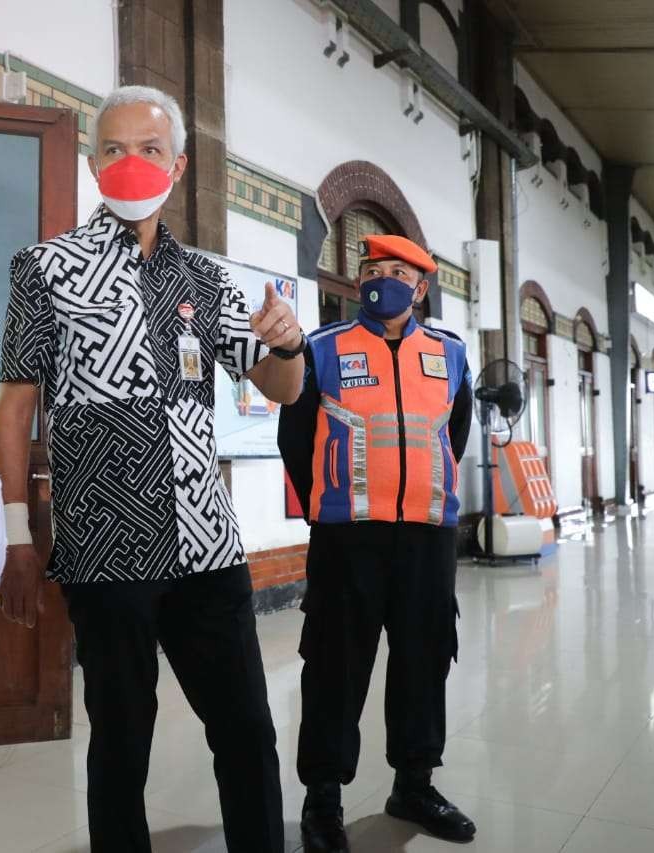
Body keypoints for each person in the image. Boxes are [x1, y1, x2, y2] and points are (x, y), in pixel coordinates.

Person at [0, 84, 301, 853]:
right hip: (107, 549)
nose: (133, 163)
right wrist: (15, 536)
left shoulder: (206, 278)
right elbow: (13, 410)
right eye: (116, 148)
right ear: (94, 162)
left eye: (151, 148)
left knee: (247, 734)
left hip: (208, 546)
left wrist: (290, 343)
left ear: (180, 163)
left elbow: (280, 386)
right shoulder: (45, 268)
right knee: (120, 746)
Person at [279, 234, 476, 850]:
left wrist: (416, 490)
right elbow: (296, 439)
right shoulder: (321, 349)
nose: (379, 279)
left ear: (420, 288)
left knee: (424, 657)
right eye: (370, 269)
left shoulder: (450, 354)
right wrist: (332, 502)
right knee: (335, 666)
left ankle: (413, 783)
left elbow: (456, 433)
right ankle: (323, 799)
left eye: (396, 271)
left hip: (425, 537)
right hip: (347, 539)